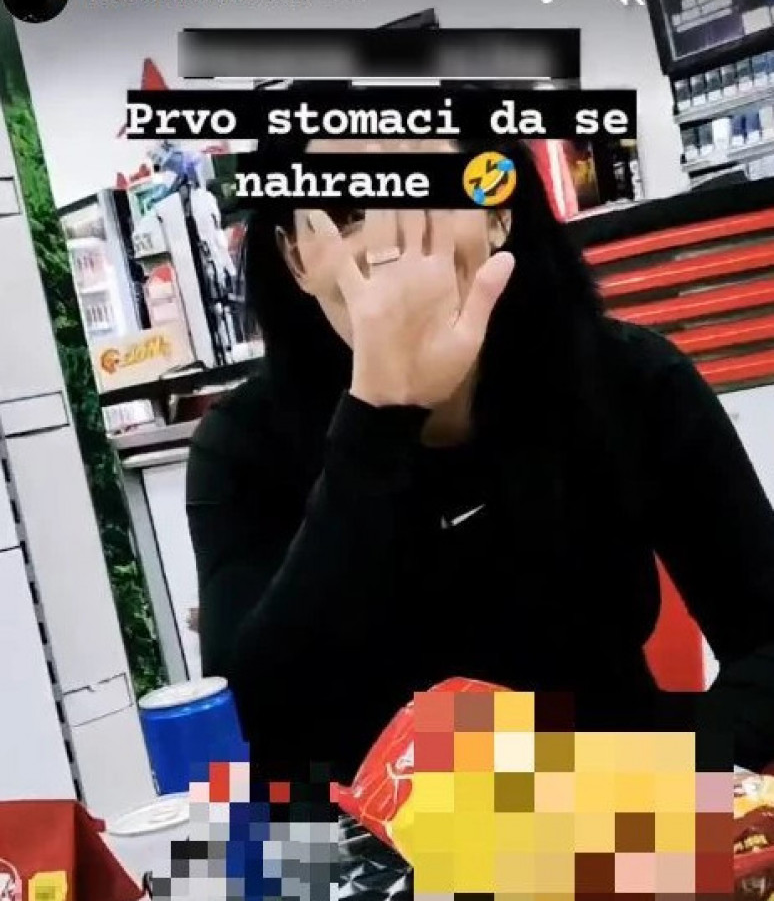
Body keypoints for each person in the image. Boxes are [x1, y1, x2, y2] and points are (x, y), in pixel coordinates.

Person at [187, 113, 774, 784]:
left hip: (617, 813)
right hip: (384, 837)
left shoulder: (629, 380)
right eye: (348, 212)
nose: (395, 241)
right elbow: (258, 728)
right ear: (296, 259)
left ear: (498, 214)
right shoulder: (243, 446)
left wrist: (673, 775)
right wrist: (377, 417)